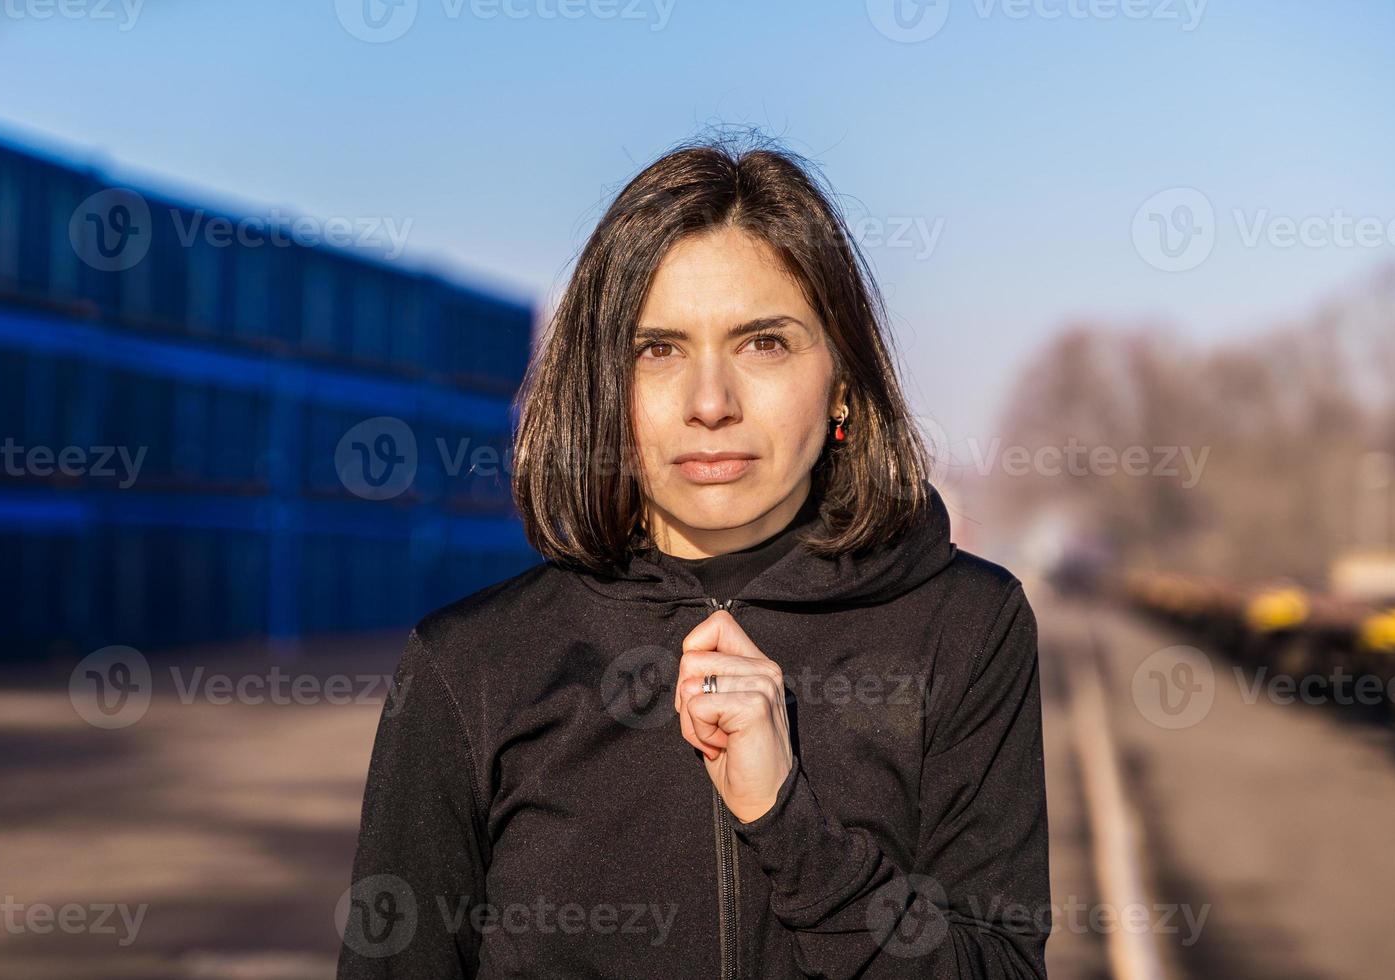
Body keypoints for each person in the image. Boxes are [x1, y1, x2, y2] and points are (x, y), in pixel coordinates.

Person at [336, 134, 1052, 979]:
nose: (709, 403)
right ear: (605, 388)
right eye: (658, 349)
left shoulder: (968, 627)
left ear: (844, 385)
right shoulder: (467, 667)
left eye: (763, 343)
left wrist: (789, 824)